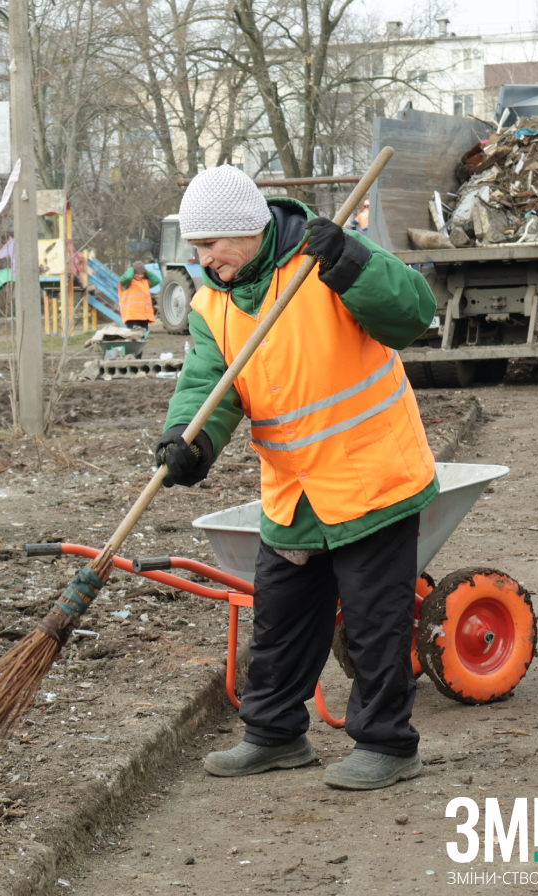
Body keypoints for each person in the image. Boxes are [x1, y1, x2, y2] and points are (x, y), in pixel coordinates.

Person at [155, 165, 438, 791]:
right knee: (281, 617)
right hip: (294, 488)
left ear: (250, 230)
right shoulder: (214, 304)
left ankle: (388, 746)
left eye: (211, 245)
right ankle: (275, 734)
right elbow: (210, 385)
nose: (204, 260)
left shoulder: (322, 263)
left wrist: (354, 263)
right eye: (197, 248)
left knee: (373, 621)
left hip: (372, 478)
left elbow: (414, 315)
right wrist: (189, 441)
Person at [118, 259, 160, 355]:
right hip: (132, 317)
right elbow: (127, 277)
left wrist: (144, 270)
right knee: (133, 339)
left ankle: (138, 358)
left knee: (141, 340)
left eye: (142, 274)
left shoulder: (145, 282)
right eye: (138, 273)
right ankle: (131, 357)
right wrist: (131, 269)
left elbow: (156, 280)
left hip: (144, 317)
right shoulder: (127, 283)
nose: (140, 276)